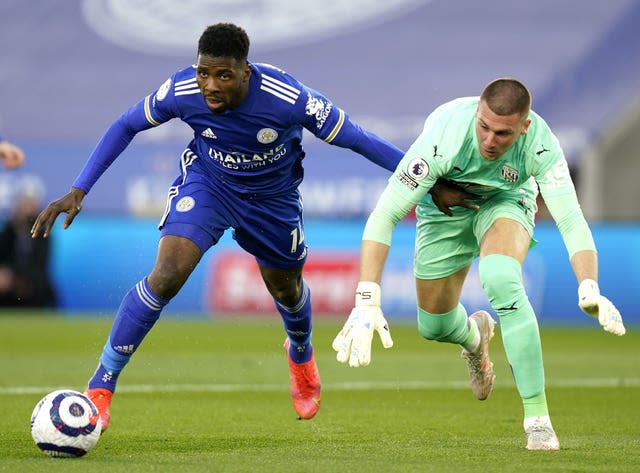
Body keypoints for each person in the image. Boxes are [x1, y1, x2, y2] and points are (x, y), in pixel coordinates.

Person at [29, 23, 473, 431]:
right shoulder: (181, 88)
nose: (209, 86)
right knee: (167, 272)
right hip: (209, 184)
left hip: (272, 201)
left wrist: (426, 180)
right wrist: (79, 189)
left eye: (223, 76)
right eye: (204, 73)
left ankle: (300, 354)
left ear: (245, 71)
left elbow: (357, 137)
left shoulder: (289, 97)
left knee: (285, 288)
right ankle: (101, 386)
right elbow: (126, 124)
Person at [332, 78, 626, 451]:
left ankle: (537, 418)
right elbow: (384, 215)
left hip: (505, 201)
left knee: (501, 279)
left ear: (525, 127)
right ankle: (475, 337)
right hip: (444, 207)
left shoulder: (541, 146)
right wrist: (367, 299)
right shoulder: (444, 139)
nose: (489, 141)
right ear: (476, 115)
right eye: (484, 127)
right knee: (434, 326)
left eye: (502, 134)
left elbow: (571, 221)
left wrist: (589, 285)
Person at [0, 190, 56, 307]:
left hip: (33, 282)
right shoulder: (9, 231)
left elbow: (40, 263)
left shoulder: (43, 234)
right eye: (22, 206)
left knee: (35, 286)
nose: (25, 211)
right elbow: (3, 257)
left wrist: (15, 276)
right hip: (8, 284)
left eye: (29, 207)